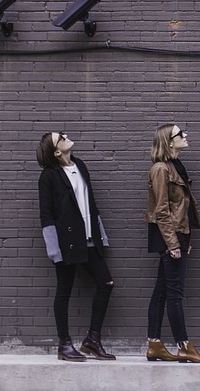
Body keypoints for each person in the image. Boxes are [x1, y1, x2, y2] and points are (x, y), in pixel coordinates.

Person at [36, 131, 116, 361]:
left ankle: (92, 339)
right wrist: (54, 250)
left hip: (89, 239)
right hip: (66, 243)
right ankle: (64, 344)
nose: (65, 136)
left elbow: (90, 203)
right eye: (60, 137)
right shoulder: (48, 177)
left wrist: (101, 235)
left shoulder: (80, 165)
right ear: (56, 151)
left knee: (106, 283)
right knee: (64, 291)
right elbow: (46, 215)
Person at [144, 123, 200, 364]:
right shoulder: (161, 169)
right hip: (169, 237)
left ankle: (154, 344)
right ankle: (184, 346)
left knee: (162, 292)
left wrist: (185, 238)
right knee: (175, 294)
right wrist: (173, 243)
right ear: (168, 141)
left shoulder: (175, 165)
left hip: (176, 235)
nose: (185, 135)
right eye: (180, 134)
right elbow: (161, 211)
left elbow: (181, 209)